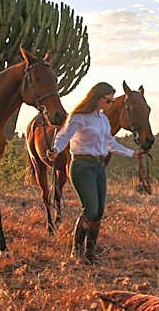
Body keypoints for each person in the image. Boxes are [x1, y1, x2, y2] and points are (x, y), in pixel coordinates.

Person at [46, 82, 146, 261]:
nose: (110, 104)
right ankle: (76, 251)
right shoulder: (79, 117)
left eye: (112, 101)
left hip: (99, 167)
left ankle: (90, 253)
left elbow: (110, 143)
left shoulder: (102, 120)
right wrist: (55, 150)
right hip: (82, 166)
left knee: (98, 212)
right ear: (97, 98)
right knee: (90, 210)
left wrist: (132, 154)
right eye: (108, 101)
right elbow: (64, 135)